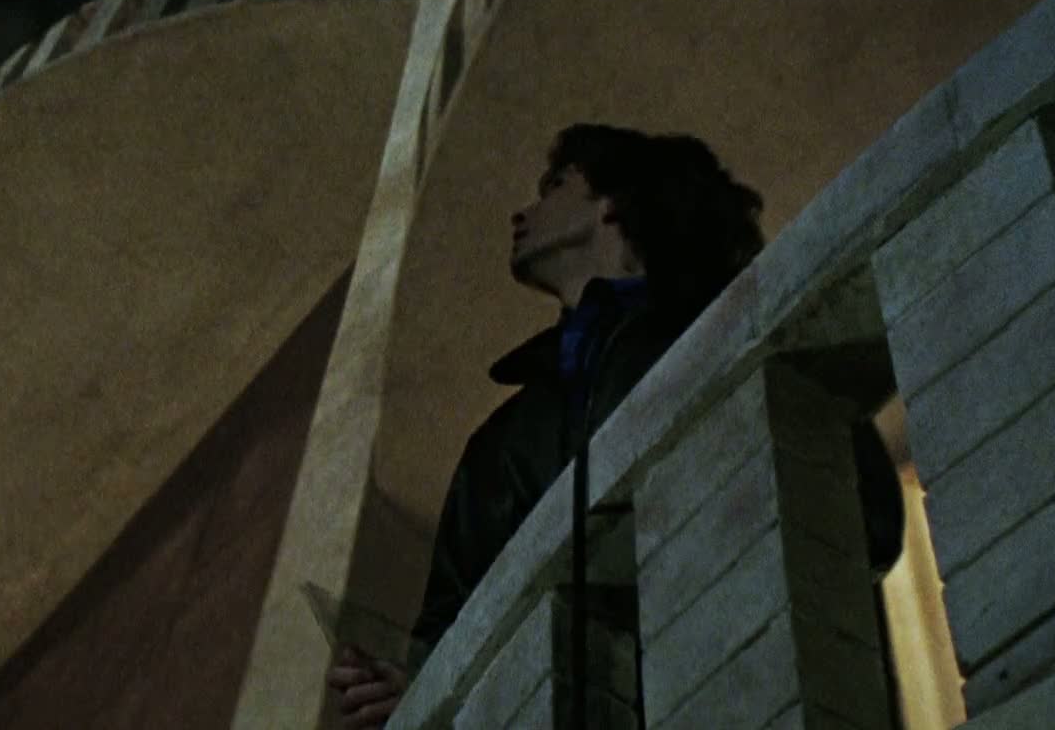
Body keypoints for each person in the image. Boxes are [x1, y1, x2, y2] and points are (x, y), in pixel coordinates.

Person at [327, 125, 899, 729]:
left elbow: (864, 512)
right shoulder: (502, 441)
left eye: (555, 185)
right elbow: (450, 624)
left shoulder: (726, 329)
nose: (522, 211)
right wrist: (414, 687)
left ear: (613, 203)